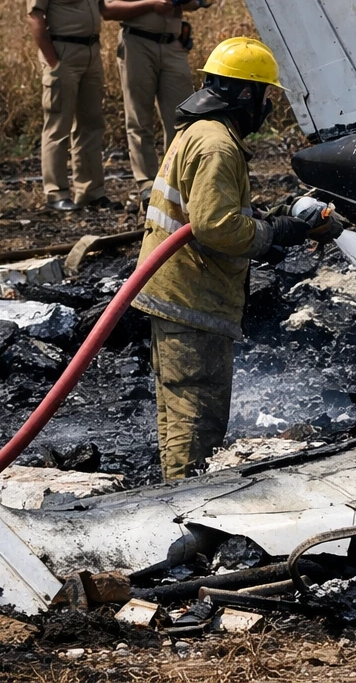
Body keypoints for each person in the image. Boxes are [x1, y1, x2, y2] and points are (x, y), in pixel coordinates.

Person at [132, 37, 336, 478]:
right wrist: (271, 233)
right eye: (264, 95)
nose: (266, 107)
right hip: (192, 299)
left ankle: (174, 494)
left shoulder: (201, 132)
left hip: (178, 290)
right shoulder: (218, 146)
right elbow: (215, 226)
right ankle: (188, 503)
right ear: (247, 93)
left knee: (179, 412)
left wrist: (267, 224)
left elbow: (210, 213)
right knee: (196, 418)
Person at [102, 0, 205, 191]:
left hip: (173, 47)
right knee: (139, 119)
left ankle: (175, 180)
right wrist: (150, 5)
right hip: (137, 46)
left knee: (181, 116)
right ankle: (147, 184)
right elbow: (108, 8)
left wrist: (187, 2)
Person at [27, 0, 107, 213]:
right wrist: (54, 62)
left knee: (91, 124)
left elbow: (101, 6)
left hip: (91, 53)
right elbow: (35, 17)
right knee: (58, 125)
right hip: (63, 54)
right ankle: (56, 192)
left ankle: (90, 191)